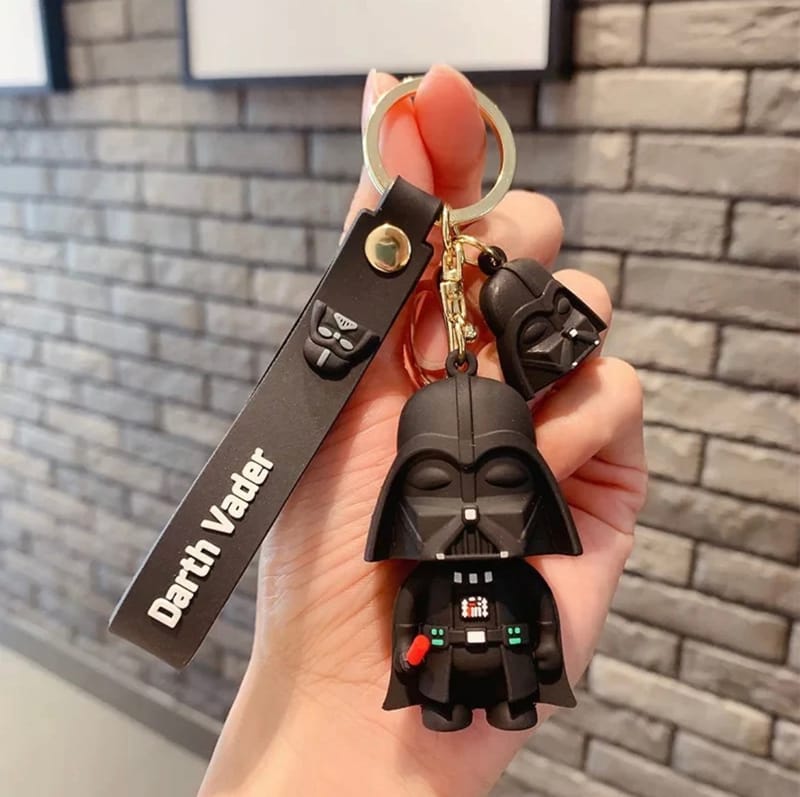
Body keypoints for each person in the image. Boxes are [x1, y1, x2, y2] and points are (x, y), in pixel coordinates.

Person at [198, 65, 647, 796]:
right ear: (397, 499)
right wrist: (349, 695)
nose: (469, 508)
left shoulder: (521, 577)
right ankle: (442, 708)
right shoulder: (416, 583)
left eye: (503, 479)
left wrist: (540, 657)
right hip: (436, 679)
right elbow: (408, 622)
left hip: (504, 671)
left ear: (540, 495)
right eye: (436, 482)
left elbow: (540, 619)